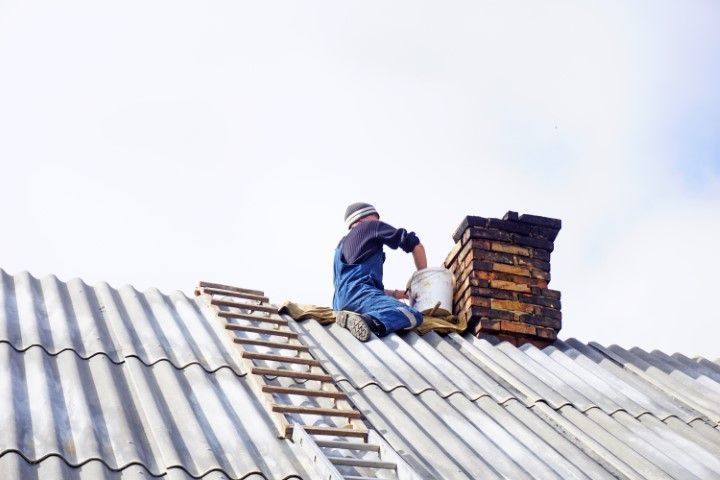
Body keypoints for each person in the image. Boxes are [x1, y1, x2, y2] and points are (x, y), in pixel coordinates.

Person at [333, 202, 427, 341]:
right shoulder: (370, 226)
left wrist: (398, 294)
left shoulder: (341, 247)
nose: (379, 223)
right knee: (412, 314)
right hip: (361, 296)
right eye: (375, 219)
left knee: (384, 304)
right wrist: (424, 280)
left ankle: (354, 320)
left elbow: (358, 285)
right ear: (361, 219)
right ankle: (369, 321)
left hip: (340, 304)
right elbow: (415, 245)